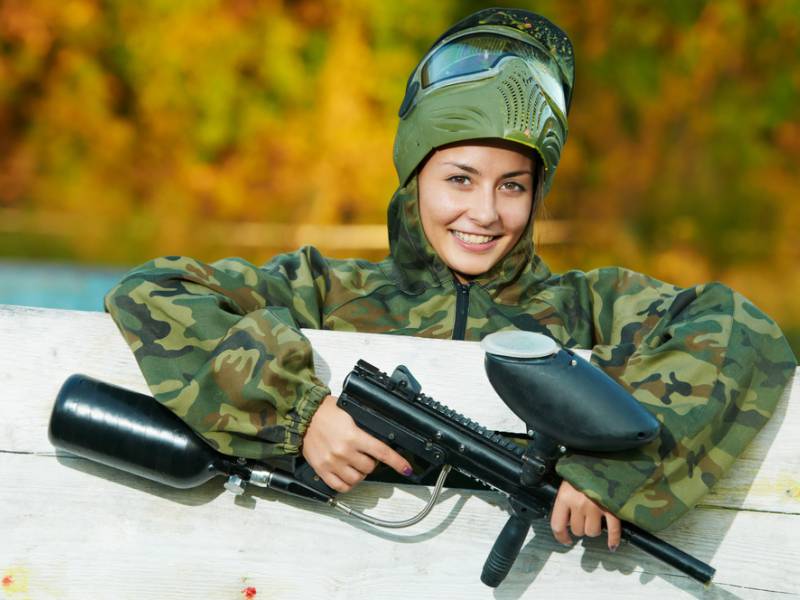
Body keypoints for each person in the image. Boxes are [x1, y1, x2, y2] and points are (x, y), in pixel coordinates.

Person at [104, 8, 796, 555]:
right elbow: (154, 290)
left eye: (514, 186)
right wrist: (301, 414)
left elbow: (742, 327)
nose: (486, 213)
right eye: (458, 179)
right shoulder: (324, 289)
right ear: (415, 180)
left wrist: (612, 475)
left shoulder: (589, 307)